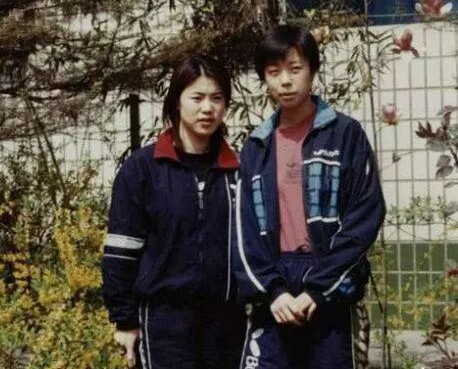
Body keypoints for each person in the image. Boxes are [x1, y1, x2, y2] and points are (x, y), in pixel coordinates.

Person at [234, 24, 386, 369]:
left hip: (331, 283)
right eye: (274, 72)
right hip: (275, 289)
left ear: (313, 71)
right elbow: (245, 231)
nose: (285, 81)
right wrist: (272, 292)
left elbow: (365, 214)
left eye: (295, 69)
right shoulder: (257, 146)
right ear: (264, 78)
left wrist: (319, 288)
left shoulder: (345, 134)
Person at [102, 54, 245, 369]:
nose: (207, 108)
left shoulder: (238, 171)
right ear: (177, 102)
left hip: (227, 324)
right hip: (164, 323)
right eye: (197, 97)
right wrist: (124, 320)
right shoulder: (143, 169)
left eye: (217, 98)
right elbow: (120, 252)